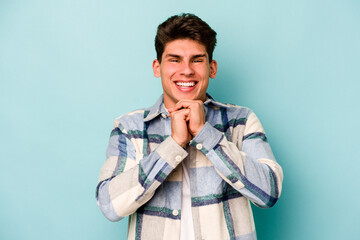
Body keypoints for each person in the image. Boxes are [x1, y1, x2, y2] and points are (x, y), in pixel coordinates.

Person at [96, 13, 283, 240]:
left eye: (197, 60)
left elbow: (269, 193)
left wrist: (206, 134)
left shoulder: (241, 121)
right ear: (157, 67)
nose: (186, 70)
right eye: (175, 60)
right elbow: (110, 205)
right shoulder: (130, 127)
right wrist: (173, 145)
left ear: (212, 68)